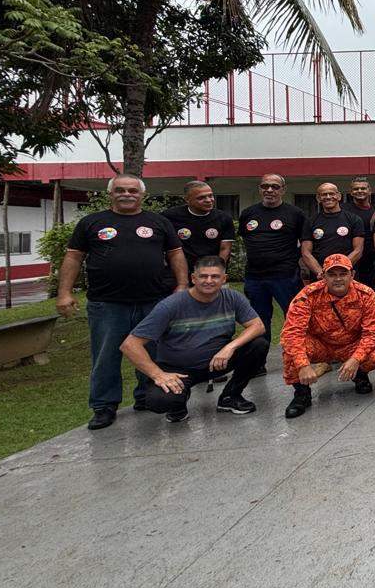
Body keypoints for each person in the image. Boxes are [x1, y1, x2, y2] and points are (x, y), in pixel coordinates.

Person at [58, 175, 188, 430]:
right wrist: (64, 292)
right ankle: (104, 406)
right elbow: (74, 258)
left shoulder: (158, 222)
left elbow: (176, 254)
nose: (126, 194)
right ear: (111, 194)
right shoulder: (92, 222)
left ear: (142, 195)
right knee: (106, 355)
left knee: (153, 351)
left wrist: (182, 285)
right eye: (120, 190)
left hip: (152, 301)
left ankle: (147, 396)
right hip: (107, 303)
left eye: (132, 190)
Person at [119, 256, 268, 421]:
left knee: (258, 345)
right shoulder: (171, 305)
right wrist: (158, 374)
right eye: (203, 276)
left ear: (224, 279)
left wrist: (229, 348)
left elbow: (258, 326)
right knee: (160, 402)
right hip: (178, 371)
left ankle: (230, 397)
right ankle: (178, 404)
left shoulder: (232, 298)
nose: (209, 281)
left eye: (215, 276)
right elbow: (130, 345)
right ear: (193, 278)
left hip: (216, 363)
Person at [280, 254, 375, 418]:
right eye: (332, 274)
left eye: (343, 274)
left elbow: (372, 332)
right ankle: (302, 393)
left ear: (352, 275)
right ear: (323, 276)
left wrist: (356, 359)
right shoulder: (308, 295)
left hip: (350, 345)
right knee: (291, 350)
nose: (338, 279)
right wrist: (303, 365)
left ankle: (360, 376)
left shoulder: (366, 295)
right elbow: (292, 332)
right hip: (321, 345)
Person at [237, 174, 305, 339]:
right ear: (260, 189)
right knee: (259, 321)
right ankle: (259, 363)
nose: (269, 190)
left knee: (295, 318)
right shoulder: (248, 213)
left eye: (275, 186)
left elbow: (305, 244)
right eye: (265, 186)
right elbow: (247, 239)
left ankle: (297, 361)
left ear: (283, 190)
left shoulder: (295, 214)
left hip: (286, 276)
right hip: (255, 277)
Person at [161, 181, 234, 276]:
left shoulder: (224, 218)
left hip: (211, 272)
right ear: (187, 199)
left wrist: (217, 272)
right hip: (179, 274)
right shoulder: (169, 217)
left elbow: (225, 249)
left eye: (210, 196)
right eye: (201, 198)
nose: (208, 200)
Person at [301, 182, 365, 279]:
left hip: (346, 275)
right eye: (324, 194)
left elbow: (358, 251)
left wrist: (339, 271)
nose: (328, 197)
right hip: (320, 276)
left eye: (331, 193)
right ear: (318, 198)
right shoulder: (310, 222)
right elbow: (306, 253)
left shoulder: (354, 219)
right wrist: (321, 273)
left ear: (339, 196)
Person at [342, 176, 375, 289]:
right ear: (351, 192)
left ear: (369, 191)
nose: (359, 191)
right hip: (350, 260)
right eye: (356, 189)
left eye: (363, 188)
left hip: (370, 262)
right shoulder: (343, 210)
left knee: (367, 294)